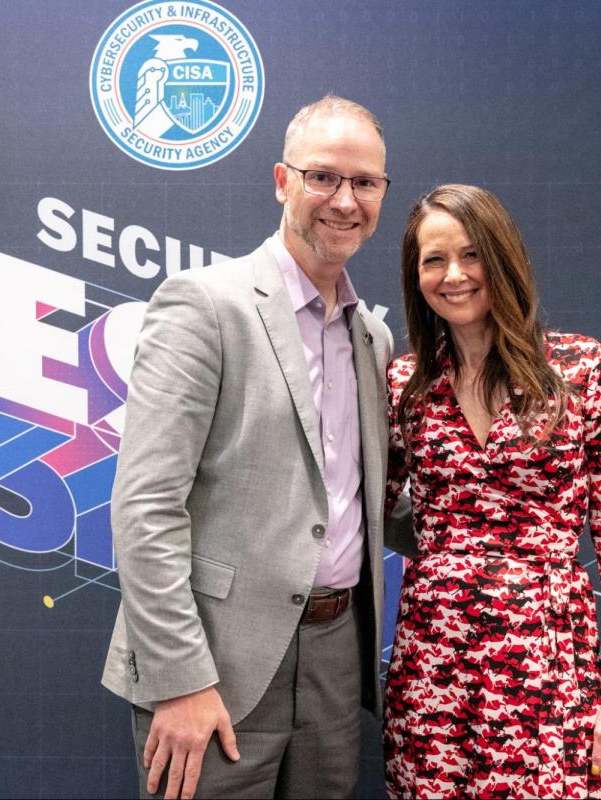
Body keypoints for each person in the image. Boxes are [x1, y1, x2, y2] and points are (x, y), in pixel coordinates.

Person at [100, 95, 395, 800]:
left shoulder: (374, 339)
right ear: (281, 180)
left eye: (365, 183)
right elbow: (145, 506)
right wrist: (180, 681)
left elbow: (368, 499)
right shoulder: (204, 304)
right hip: (215, 662)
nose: (345, 200)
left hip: (336, 662)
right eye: (322, 176)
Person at [383, 184, 601, 798]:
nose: (454, 275)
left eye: (471, 255)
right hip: (432, 663)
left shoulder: (582, 368)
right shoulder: (404, 385)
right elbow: (357, 513)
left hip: (549, 657)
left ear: (503, 258)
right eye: (433, 260)